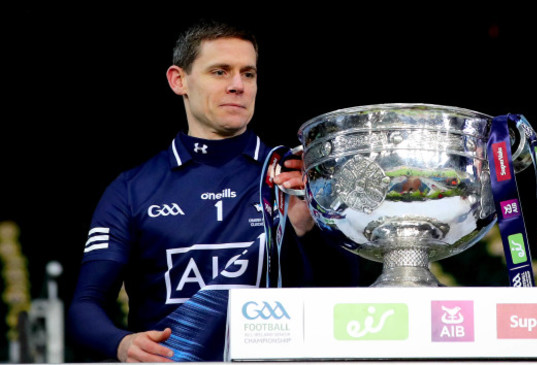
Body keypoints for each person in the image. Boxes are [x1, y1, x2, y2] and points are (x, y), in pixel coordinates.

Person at [67, 19, 370, 362]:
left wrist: (310, 222)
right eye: (220, 72)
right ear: (178, 80)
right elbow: (85, 305)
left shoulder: (296, 179)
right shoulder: (132, 189)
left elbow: (348, 299)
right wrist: (121, 344)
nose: (238, 85)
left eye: (249, 73)